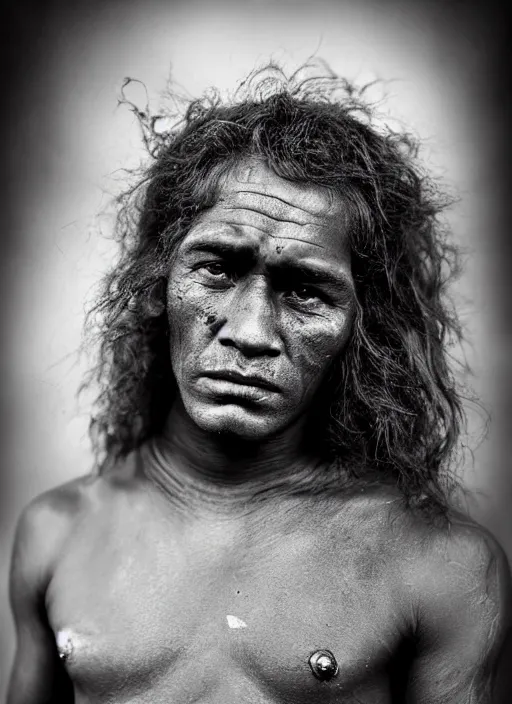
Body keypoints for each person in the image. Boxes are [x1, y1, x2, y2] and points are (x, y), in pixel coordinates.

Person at [7, 62, 512, 703]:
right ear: (154, 284)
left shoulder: (441, 568)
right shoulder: (58, 532)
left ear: (365, 326)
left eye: (306, 292)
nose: (249, 332)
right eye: (217, 268)